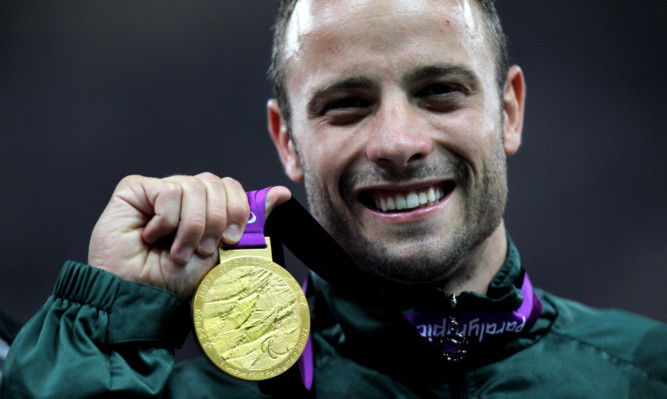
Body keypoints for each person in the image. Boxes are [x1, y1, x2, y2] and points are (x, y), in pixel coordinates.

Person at [2, 0, 665, 397]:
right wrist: (110, 320)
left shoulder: (645, 369)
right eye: (346, 106)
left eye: (439, 91)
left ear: (509, 111)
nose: (399, 141)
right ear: (286, 141)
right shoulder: (217, 393)